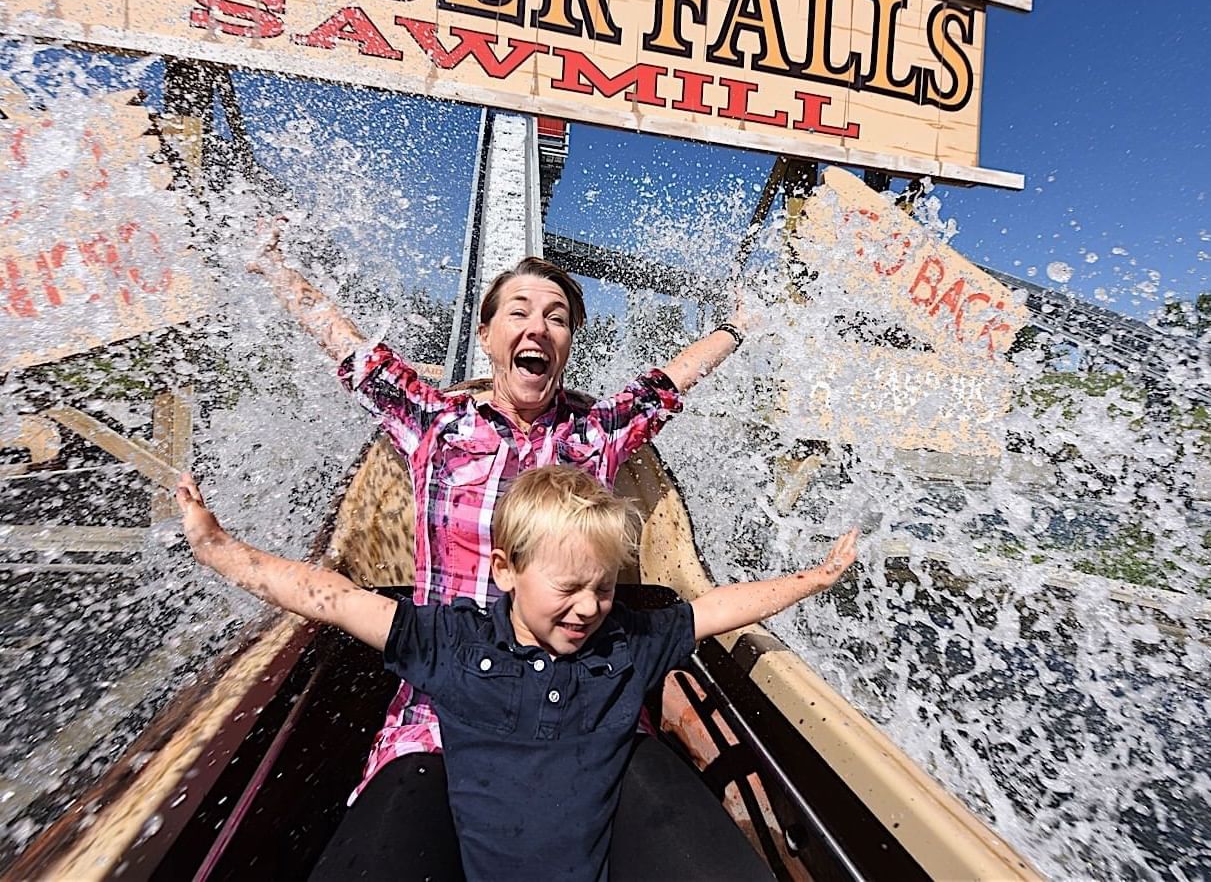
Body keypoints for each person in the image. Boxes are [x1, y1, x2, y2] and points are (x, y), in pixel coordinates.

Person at [248, 230, 752, 874]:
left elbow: (674, 378)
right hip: (448, 700)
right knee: (384, 844)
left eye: (557, 317)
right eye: (518, 312)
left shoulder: (594, 435)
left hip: (587, 704)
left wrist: (740, 323)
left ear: (568, 344)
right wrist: (273, 267)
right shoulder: (437, 425)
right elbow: (350, 349)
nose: (537, 328)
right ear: (487, 336)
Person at [177, 466, 859, 882]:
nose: (589, 608)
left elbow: (713, 609)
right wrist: (220, 551)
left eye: (603, 588)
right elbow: (334, 598)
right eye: (568, 588)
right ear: (505, 570)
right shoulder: (451, 643)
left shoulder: (626, 642)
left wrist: (813, 578)